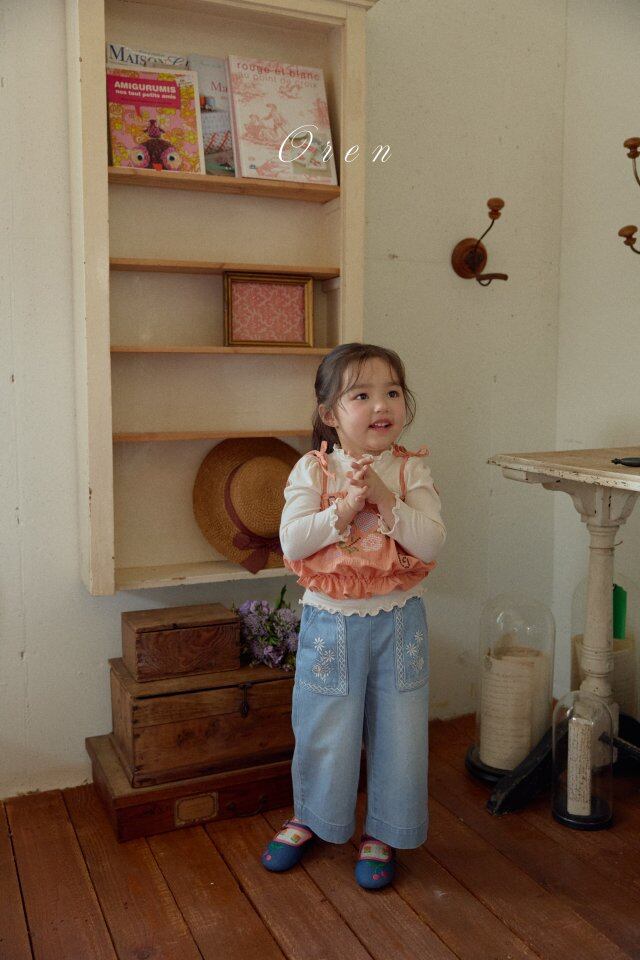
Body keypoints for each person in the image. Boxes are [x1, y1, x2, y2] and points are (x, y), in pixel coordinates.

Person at [261, 342, 446, 890]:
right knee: (324, 724)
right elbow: (293, 541)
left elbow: (430, 543)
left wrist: (385, 498)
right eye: (361, 395)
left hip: (400, 621)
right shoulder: (313, 469)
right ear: (330, 413)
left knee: (400, 727)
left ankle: (385, 829)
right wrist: (344, 508)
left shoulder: (411, 469)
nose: (380, 405)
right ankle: (313, 816)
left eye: (392, 392)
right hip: (332, 622)